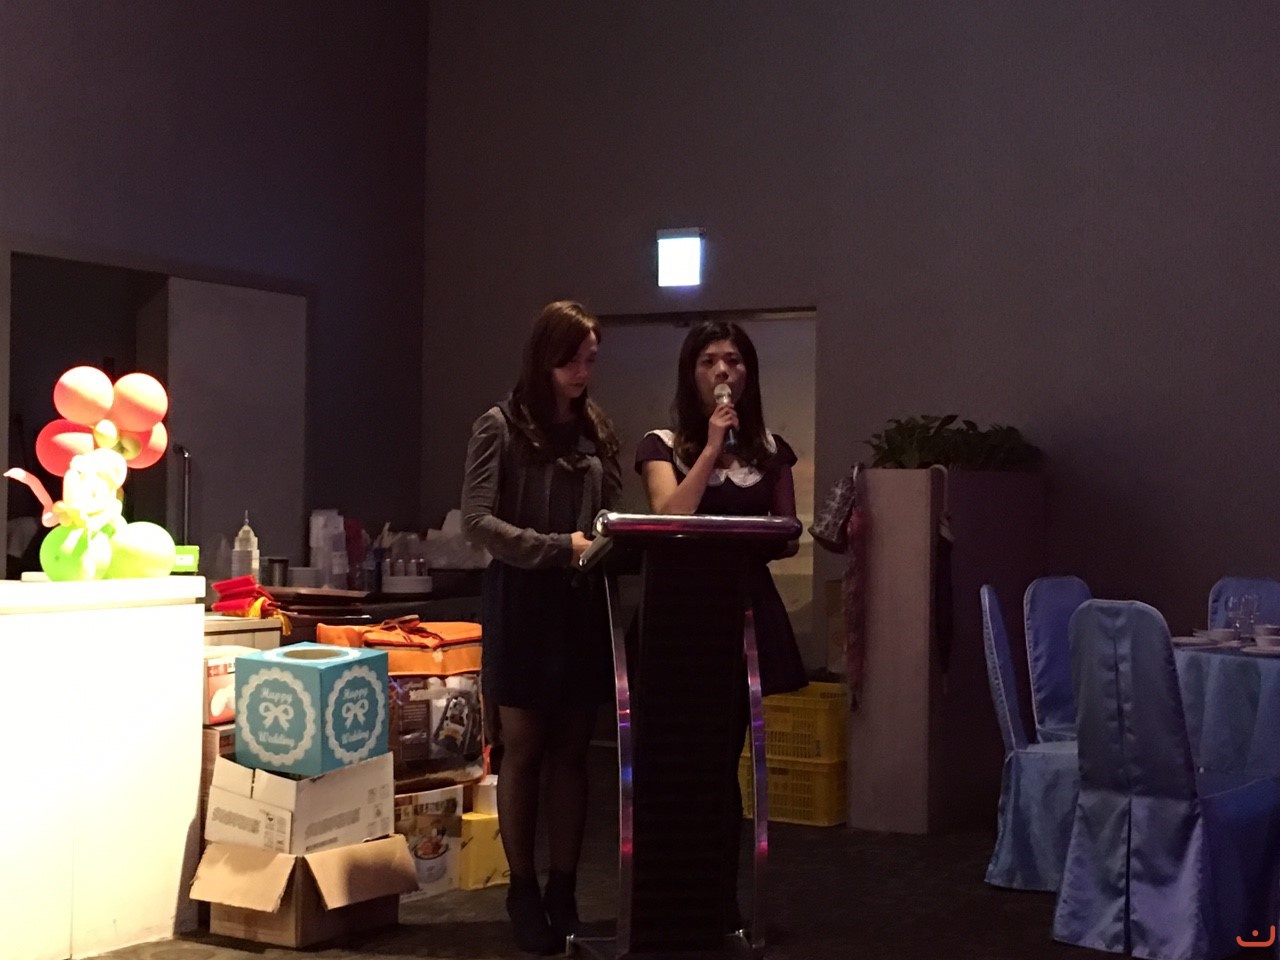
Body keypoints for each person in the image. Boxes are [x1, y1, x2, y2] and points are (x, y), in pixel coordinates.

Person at [460, 300, 622, 955]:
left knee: (573, 752)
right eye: (571, 360)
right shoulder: (498, 426)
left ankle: (565, 890)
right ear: (543, 358)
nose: (582, 372)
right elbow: (476, 520)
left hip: (580, 601)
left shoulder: (596, 428)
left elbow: (610, 513)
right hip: (523, 599)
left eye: (590, 360)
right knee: (523, 748)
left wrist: (606, 541)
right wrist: (558, 547)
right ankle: (522, 889)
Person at [635, 320, 807, 930]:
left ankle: (721, 902)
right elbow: (669, 515)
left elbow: (789, 532)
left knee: (725, 757)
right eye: (709, 361)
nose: (722, 371)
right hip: (680, 617)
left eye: (733, 360)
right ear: (691, 374)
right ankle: (665, 907)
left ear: (748, 373)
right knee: (675, 758)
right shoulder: (662, 445)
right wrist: (710, 448)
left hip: (741, 611)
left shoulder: (771, 450)